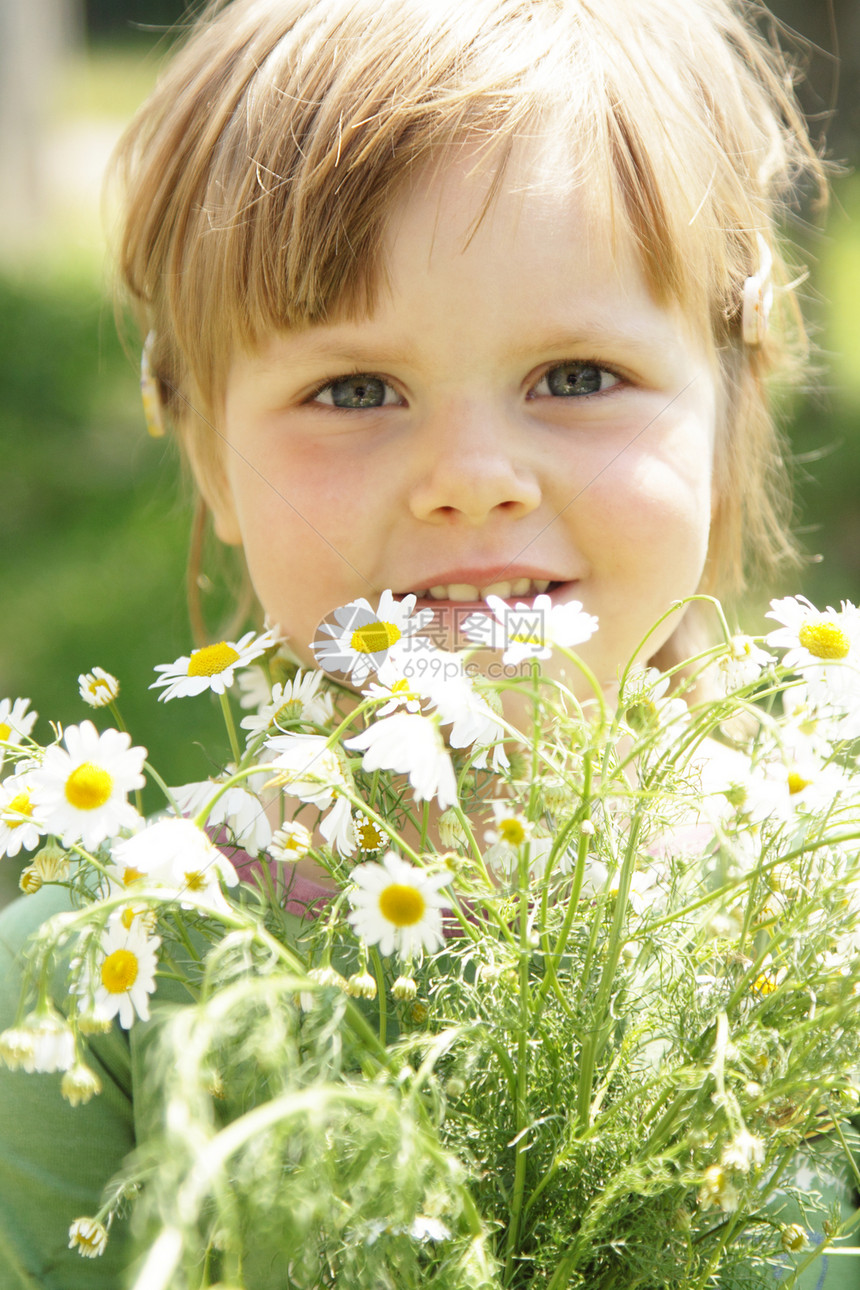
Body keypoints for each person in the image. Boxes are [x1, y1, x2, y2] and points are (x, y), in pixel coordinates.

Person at [0, 0, 852, 1285]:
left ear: (730, 417)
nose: (468, 478)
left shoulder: (816, 931)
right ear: (206, 455)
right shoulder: (88, 983)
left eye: (573, 376)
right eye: (352, 391)